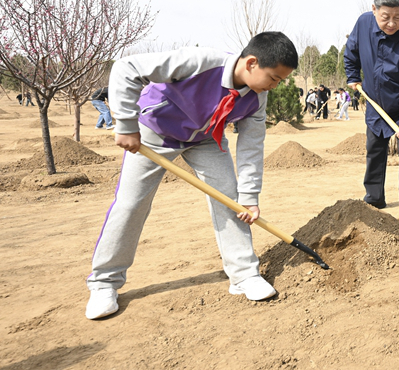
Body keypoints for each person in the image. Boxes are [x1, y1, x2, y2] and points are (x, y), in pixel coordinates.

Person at [85, 31, 299, 320]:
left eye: (280, 81)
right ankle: (104, 284)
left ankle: (244, 276)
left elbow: (251, 148)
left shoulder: (257, 100)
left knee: (230, 201)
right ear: (251, 63)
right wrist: (125, 123)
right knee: (131, 204)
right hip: (155, 132)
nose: (274, 86)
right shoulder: (200, 61)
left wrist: (249, 198)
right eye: (274, 78)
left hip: (205, 139)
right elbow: (127, 68)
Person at [344, 0, 399, 226]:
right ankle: (374, 198)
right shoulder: (363, 24)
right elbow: (351, 51)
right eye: (385, 17)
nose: (392, 23)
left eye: (397, 17)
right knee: (374, 149)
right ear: (374, 10)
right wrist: (353, 76)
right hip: (375, 101)